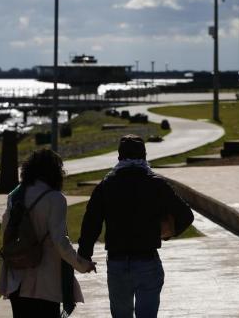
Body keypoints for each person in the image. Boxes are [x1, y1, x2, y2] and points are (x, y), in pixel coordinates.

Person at [78, 134, 194, 318]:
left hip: (117, 263)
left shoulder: (106, 185)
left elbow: (91, 223)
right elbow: (186, 215)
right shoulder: (156, 184)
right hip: (147, 260)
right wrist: (167, 233)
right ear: (144, 156)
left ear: (119, 157)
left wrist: (84, 256)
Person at [0, 148, 96, 318]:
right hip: (45, 284)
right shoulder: (55, 199)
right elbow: (60, 241)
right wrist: (81, 264)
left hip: (17, 280)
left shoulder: (15, 196)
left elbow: (6, 233)